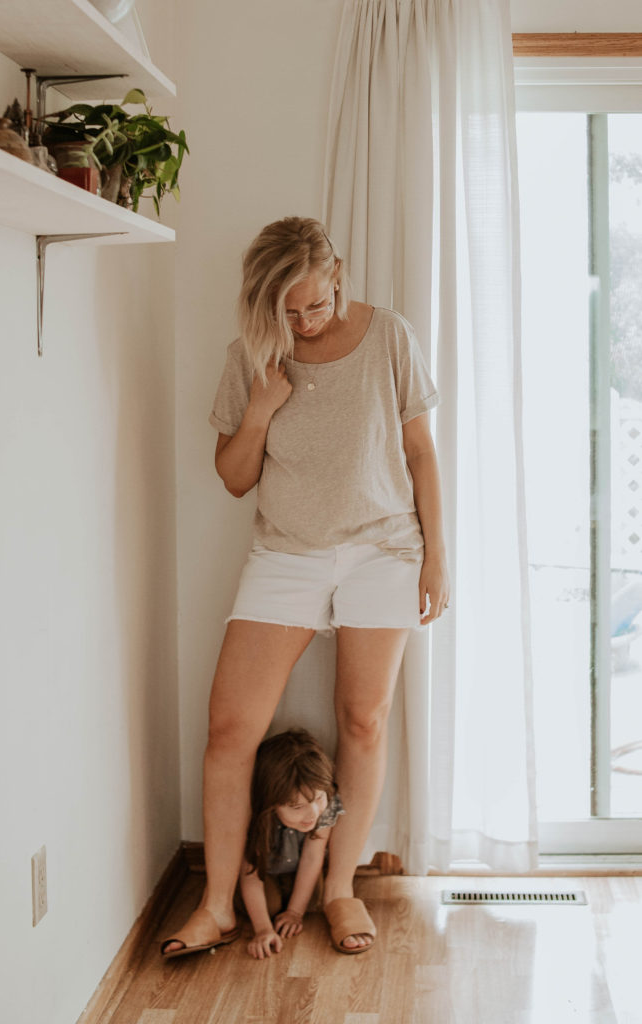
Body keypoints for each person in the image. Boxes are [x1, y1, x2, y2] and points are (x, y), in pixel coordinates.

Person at [161, 216, 449, 959]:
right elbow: (232, 479)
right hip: (286, 554)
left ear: (338, 276)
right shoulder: (253, 353)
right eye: (287, 311)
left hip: (384, 549)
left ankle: (339, 888)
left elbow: (420, 452)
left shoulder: (389, 337)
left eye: (314, 306)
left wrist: (437, 556)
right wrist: (259, 407)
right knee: (230, 728)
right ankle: (219, 905)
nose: (303, 322)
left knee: (362, 721)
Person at [239, 729, 345, 959]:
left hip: (297, 868)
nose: (312, 814)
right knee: (268, 908)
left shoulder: (323, 809)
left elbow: (312, 857)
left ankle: (291, 902)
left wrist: (295, 912)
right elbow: (250, 873)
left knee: (315, 897)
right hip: (264, 872)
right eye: (296, 807)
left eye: (318, 799)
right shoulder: (258, 816)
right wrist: (263, 930)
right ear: (272, 803)